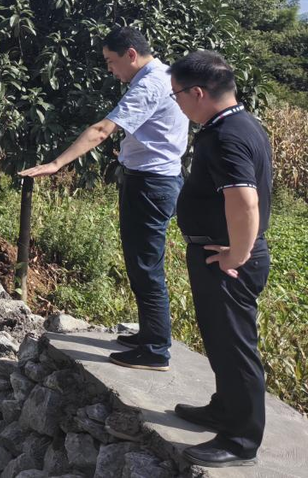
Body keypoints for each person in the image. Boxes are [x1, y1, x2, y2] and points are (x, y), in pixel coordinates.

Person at [19, 26, 188, 371]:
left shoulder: (149, 84)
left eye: (111, 62)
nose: (110, 71)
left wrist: (56, 163)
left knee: (145, 264)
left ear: (130, 54)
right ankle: (150, 335)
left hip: (151, 184)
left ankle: (156, 349)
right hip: (155, 179)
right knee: (141, 261)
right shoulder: (165, 75)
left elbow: (101, 130)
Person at [168, 51, 271, 468]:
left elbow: (245, 202)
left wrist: (238, 253)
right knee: (219, 340)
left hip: (228, 260)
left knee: (235, 346)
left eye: (177, 94)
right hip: (219, 253)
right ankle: (223, 407)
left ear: (197, 92)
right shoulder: (234, 124)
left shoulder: (228, 135)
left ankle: (240, 439)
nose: (176, 102)